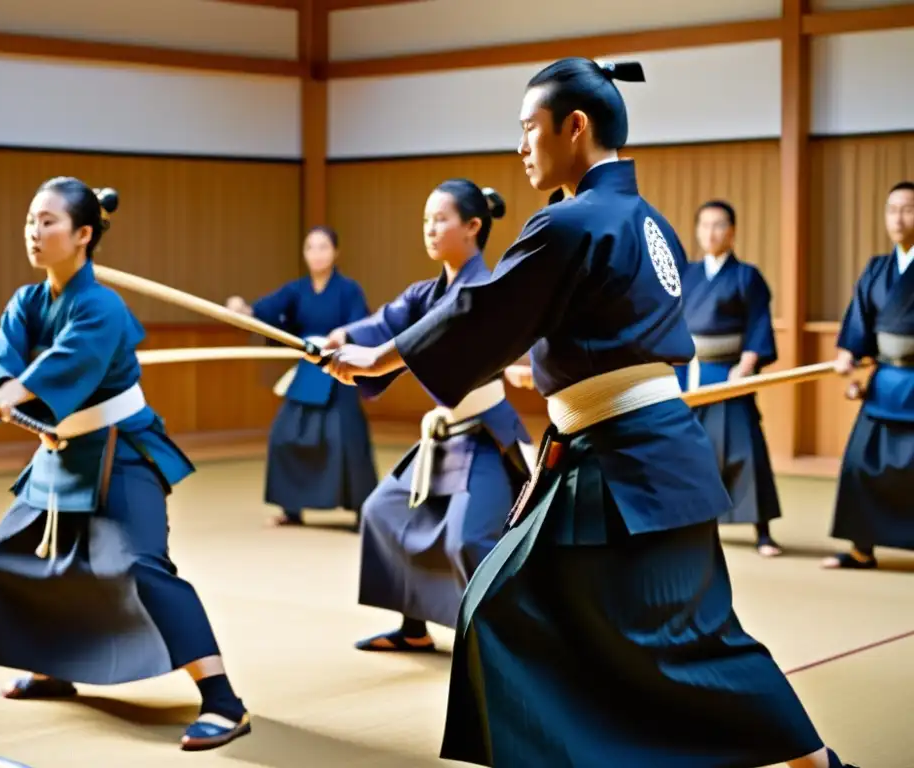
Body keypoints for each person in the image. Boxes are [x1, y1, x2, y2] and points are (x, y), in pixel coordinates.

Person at [317, 59, 857, 768]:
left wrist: (378, 358)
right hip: (628, 453)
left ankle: (813, 764)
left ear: (575, 128)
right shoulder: (645, 221)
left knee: (678, 635)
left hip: (627, 463)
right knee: (541, 611)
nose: (521, 147)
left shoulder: (572, 222)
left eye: (529, 130)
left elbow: (485, 313)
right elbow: (581, 326)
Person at [0, 177, 250, 752]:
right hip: (61, 454)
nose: (34, 232)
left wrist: (14, 393)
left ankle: (223, 700)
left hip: (120, 449)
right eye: (30, 220)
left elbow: (73, 361)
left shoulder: (102, 306)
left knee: (143, 569)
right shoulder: (26, 302)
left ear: (83, 234)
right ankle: (53, 667)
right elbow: (7, 362)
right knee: (2, 560)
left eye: (48, 222)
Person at [323, 180, 533, 653]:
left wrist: (371, 358)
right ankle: (413, 627)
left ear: (473, 226)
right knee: (384, 511)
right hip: (443, 434)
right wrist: (340, 338)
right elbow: (387, 323)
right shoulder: (427, 292)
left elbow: (427, 342)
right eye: (426, 221)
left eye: (441, 219)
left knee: (468, 539)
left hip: (484, 434)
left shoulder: (486, 290)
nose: (431, 229)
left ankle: (503, 643)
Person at [227, 226, 378, 529]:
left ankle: (363, 512)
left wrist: (340, 340)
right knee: (285, 434)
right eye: (311, 247)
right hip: (308, 373)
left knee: (346, 439)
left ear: (335, 252)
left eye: (323, 247)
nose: (317, 253)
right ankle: (292, 509)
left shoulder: (349, 290)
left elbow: (361, 325)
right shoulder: (296, 290)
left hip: (339, 372)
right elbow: (264, 312)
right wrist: (242, 309)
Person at [675, 200, 784, 557]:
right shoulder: (686, 274)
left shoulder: (746, 276)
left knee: (744, 447)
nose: (710, 233)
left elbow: (757, 324)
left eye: (719, 225)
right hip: (690, 373)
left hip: (729, 372)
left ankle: (762, 531)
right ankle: (687, 525)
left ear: (732, 232)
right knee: (689, 451)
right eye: (704, 225)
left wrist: (746, 366)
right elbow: (670, 323)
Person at [824, 180, 914, 570]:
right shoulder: (877, 268)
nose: (898, 217)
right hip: (885, 383)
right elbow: (859, 326)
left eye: (908, 208)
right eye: (892, 209)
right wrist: (849, 356)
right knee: (861, 462)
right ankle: (862, 548)